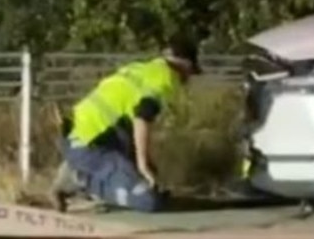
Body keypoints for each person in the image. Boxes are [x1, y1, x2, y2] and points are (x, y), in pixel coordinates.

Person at [49, 38, 201, 213]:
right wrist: (143, 165)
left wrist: (143, 161)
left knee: (140, 169)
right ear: (186, 65)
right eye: (190, 73)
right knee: (149, 201)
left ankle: (83, 172)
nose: (188, 80)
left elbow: (128, 121)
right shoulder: (166, 79)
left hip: (82, 137)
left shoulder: (140, 68)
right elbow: (142, 116)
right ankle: (82, 179)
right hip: (91, 146)